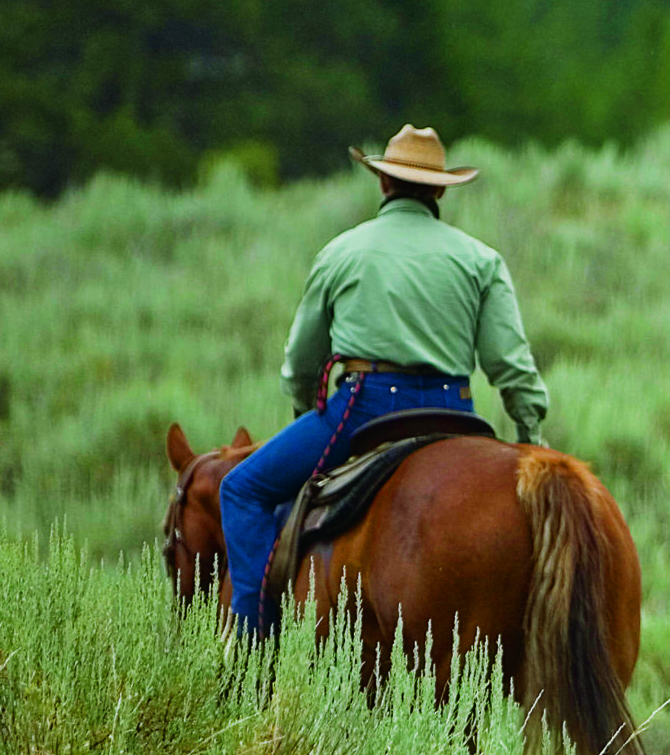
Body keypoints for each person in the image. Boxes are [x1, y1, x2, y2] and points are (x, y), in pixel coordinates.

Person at [219, 125, 549, 636]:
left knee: (242, 489)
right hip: (455, 412)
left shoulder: (341, 252)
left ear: (382, 184)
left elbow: (302, 361)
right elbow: (510, 363)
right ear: (440, 189)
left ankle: (250, 641)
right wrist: (530, 437)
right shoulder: (481, 260)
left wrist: (305, 412)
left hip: (363, 409)